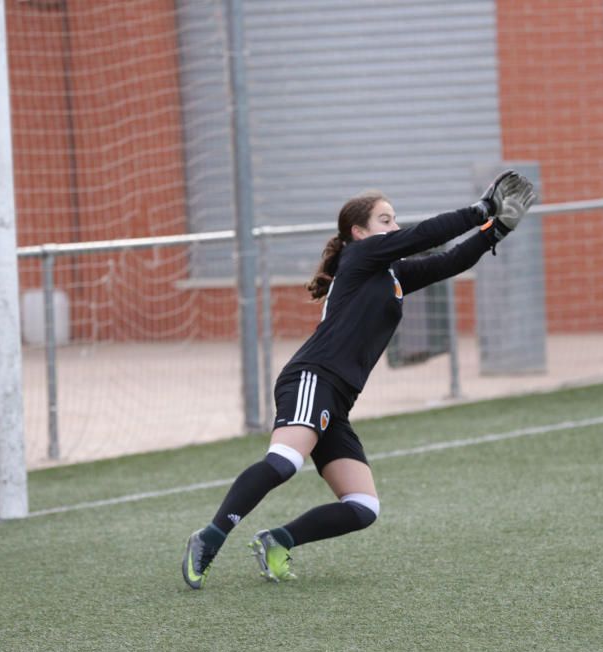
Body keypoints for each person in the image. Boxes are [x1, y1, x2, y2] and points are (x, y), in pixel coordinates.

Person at [182, 170, 537, 589]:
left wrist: (495, 230)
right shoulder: (359, 257)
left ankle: (278, 539)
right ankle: (210, 537)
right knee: (284, 463)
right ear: (358, 232)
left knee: (363, 506)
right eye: (385, 220)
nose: (395, 227)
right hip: (313, 377)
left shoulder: (390, 275)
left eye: (393, 220)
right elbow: (423, 236)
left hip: (338, 398)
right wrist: (480, 209)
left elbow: (449, 262)